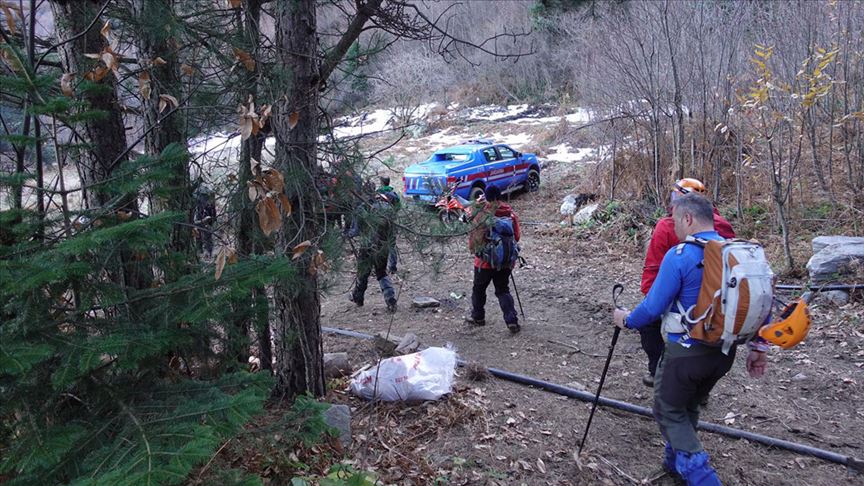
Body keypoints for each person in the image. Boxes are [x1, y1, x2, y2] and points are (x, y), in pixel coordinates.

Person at [612, 194, 769, 485]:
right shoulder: (736, 254)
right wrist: (758, 347)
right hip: (724, 352)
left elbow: (653, 306)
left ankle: (702, 476)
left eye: (675, 222)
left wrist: (626, 319)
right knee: (688, 406)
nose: (674, 229)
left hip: (685, 353)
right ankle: (675, 464)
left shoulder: (681, 255)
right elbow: (760, 301)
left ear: (688, 219)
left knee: (667, 409)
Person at [638, 178, 735, 387]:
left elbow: (653, 266)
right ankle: (701, 388)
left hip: (681, 299)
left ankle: (657, 371)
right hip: (720, 302)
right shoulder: (724, 227)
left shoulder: (666, 227)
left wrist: (650, 298)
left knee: (648, 324)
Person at [464, 186, 522, 333]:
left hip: (484, 262)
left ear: (487, 197)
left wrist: (474, 250)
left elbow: (475, 238)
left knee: (478, 289)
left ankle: (478, 317)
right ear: (499, 196)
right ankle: (512, 321)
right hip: (505, 261)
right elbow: (516, 236)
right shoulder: (509, 213)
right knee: (503, 290)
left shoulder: (481, 213)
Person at [350, 193, 398, 312]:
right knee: (381, 273)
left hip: (367, 245)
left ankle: (358, 297)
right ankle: (390, 299)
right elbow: (392, 235)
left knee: (363, 271)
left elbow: (357, 229)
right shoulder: (391, 211)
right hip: (383, 246)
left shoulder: (367, 207)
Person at [376, 176, 400, 274]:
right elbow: (398, 207)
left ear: (381, 182)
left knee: (379, 244)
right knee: (391, 245)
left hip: (379, 223)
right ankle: (392, 267)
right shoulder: (394, 194)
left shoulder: (377, 194)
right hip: (391, 221)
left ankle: (379, 267)